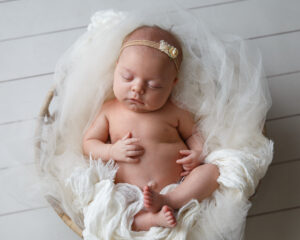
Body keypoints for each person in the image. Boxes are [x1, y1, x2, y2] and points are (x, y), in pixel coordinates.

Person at [82, 25, 220, 231]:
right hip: (128, 192)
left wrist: (198, 153)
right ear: (116, 67)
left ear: (172, 84)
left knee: (212, 172)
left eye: (154, 86)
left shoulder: (175, 111)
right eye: (127, 77)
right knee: (107, 210)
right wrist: (112, 150)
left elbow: (193, 134)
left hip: (178, 187)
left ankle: (169, 201)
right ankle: (149, 221)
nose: (137, 88)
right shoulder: (109, 111)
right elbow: (88, 143)